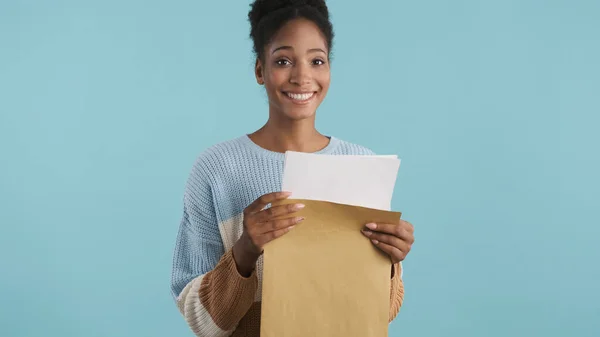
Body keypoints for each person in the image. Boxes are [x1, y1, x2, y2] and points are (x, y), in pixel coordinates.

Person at [170, 0, 415, 336]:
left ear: (329, 69)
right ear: (260, 70)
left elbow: (377, 314)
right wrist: (244, 250)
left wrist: (391, 264)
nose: (302, 77)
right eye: (283, 61)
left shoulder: (361, 166)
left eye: (317, 61)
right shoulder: (217, 168)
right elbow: (199, 320)